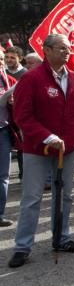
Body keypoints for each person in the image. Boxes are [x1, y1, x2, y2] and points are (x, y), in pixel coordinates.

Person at [8, 34, 74, 268]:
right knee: (32, 198)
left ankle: (61, 238)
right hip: (37, 148)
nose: (67, 52)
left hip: (68, 148)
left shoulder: (73, 79)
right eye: (62, 48)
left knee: (65, 194)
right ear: (46, 50)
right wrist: (48, 136)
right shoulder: (31, 79)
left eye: (69, 48)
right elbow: (23, 116)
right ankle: (23, 247)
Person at [0, 72, 14, 226]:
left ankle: (0, 214)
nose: (1, 63)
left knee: (3, 176)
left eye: (2, 60)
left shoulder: (6, 79)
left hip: (3, 130)